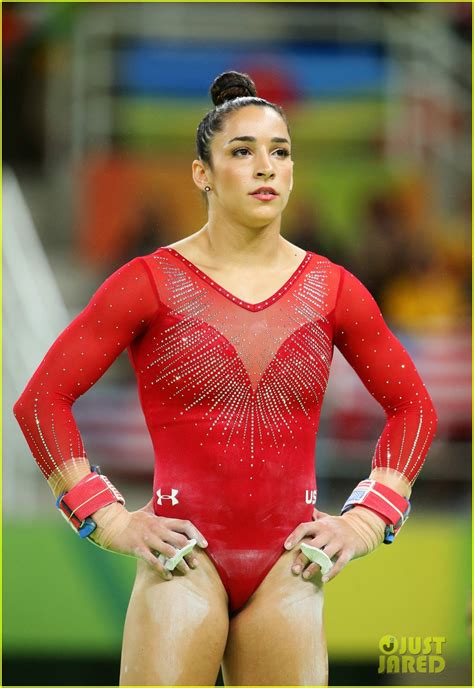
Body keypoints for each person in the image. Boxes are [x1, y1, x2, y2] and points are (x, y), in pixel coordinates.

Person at [14, 71, 437, 686]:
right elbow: (41, 401)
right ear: (202, 174)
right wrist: (107, 519)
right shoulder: (149, 283)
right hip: (181, 567)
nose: (266, 166)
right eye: (242, 152)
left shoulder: (333, 290)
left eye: (280, 151)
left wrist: (366, 521)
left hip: (290, 569)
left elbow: (415, 410)